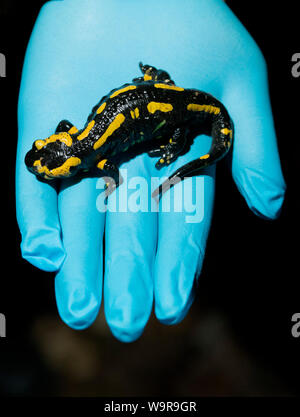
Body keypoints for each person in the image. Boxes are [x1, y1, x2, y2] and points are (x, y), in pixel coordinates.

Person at [16, 0, 286, 342]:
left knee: (178, 124)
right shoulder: (75, 138)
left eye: (47, 162)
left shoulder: (92, 158)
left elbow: (108, 171)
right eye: (48, 164)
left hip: (175, 108)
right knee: (167, 102)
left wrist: (166, 154)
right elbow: (80, 143)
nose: (44, 163)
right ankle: (157, 84)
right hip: (156, 95)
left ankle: (176, 137)